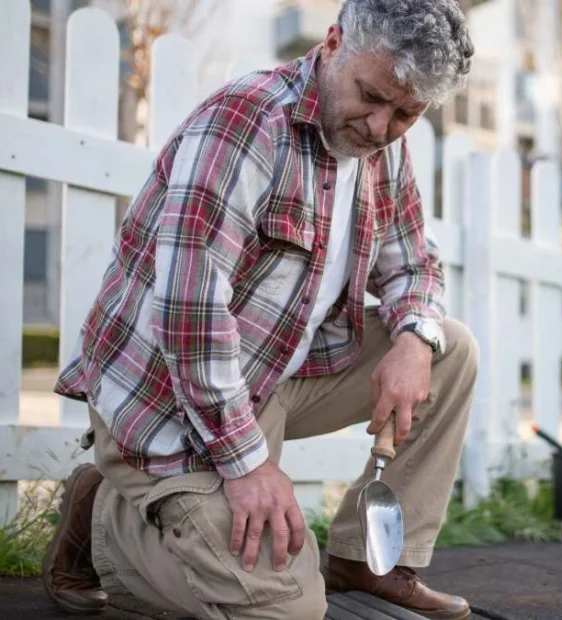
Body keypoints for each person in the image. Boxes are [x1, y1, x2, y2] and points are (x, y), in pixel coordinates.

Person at [42, 1, 478, 618]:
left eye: (407, 113)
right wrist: (248, 466)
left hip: (272, 378)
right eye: (371, 96)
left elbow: (413, 263)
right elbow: (189, 317)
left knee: (448, 349)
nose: (381, 128)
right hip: (172, 404)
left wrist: (412, 338)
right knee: (286, 610)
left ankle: (367, 560)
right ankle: (104, 522)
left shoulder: (380, 148)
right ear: (332, 44)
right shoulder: (243, 125)